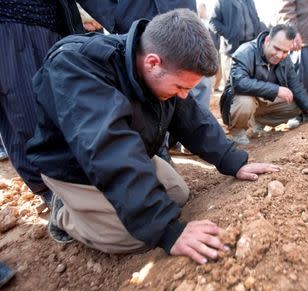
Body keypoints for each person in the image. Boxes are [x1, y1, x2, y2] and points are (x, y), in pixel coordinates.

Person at [26, 9, 279, 264]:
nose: (183, 95)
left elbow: (192, 118)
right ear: (153, 62)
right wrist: (168, 232)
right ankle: (64, 214)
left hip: (128, 150)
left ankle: (103, 210)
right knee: (138, 236)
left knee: (177, 195)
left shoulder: (163, 67)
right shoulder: (77, 66)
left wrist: (233, 160)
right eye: (181, 87)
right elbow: (109, 148)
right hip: (74, 168)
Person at [0, 0, 196, 208]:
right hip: (14, 21)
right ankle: (56, 194)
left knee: (174, 194)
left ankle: (112, 173)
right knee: (27, 106)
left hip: (59, 20)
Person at [220, 24, 308, 145]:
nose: (279, 55)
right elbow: (239, 83)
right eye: (276, 49)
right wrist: (276, 90)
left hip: (263, 100)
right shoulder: (245, 52)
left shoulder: (285, 59)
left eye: (285, 51)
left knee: (297, 103)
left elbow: (295, 86)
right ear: (267, 40)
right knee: (245, 101)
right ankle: (238, 131)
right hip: (240, 100)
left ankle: (255, 124)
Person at [209, 0, 266, 87]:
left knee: (250, 84)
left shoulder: (249, 1)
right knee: (231, 86)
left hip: (251, 50)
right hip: (231, 51)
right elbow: (213, 22)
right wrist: (229, 34)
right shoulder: (222, 2)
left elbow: (256, 20)